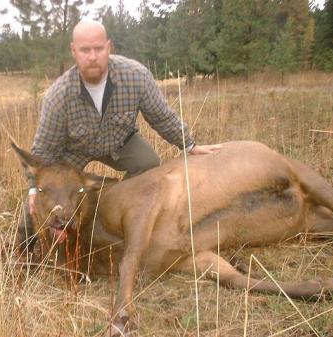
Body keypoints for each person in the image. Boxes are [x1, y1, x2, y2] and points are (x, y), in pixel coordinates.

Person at [18, 19, 221, 253]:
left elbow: (161, 116)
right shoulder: (58, 96)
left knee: (148, 164)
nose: (92, 56)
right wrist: (34, 189)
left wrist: (189, 144)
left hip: (119, 141)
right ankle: (25, 247)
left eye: (98, 48)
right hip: (75, 150)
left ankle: (119, 210)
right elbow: (42, 152)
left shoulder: (136, 77)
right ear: (74, 51)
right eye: (85, 50)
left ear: (109, 47)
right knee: (39, 198)